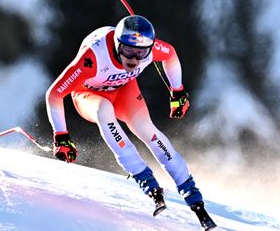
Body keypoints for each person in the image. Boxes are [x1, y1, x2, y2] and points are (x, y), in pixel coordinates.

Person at [45, 15, 216, 230]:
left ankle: (188, 188)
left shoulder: (149, 50)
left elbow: (170, 54)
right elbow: (54, 95)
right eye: (128, 51)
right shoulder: (94, 56)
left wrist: (178, 92)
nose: (134, 59)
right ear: (117, 44)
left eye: (141, 53)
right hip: (88, 94)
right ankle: (143, 176)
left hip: (124, 90)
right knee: (104, 110)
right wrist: (61, 136)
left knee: (147, 129)